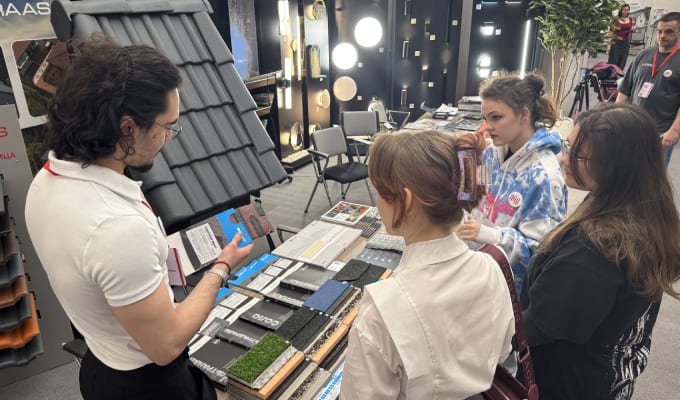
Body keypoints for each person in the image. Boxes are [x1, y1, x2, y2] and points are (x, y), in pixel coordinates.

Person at [24, 35, 252, 399]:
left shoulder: (45, 182)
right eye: (167, 126)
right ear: (128, 127)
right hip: (151, 386)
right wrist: (221, 268)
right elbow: (167, 345)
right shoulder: (117, 228)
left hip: (100, 365)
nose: (169, 138)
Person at [520, 103, 680, 400]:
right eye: (569, 146)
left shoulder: (592, 252)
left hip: (566, 383)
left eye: (579, 155)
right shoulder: (642, 210)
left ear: (616, 166)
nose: (564, 158)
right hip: (609, 373)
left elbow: (541, 326)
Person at [341, 131, 515, 399]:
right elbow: (502, 352)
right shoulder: (491, 268)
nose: (376, 201)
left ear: (407, 200)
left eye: (380, 191)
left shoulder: (380, 312)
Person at [457, 72, 567, 294]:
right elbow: (476, 198)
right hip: (475, 269)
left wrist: (489, 235)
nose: (487, 127)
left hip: (507, 290)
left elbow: (540, 253)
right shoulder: (490, 153)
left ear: (523, 114)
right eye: (485, 118)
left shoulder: (544, 177)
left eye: (496, 117)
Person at [617, 12, 680, 167]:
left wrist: (675, 130)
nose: (662, 36)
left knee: (652, 175)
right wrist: (615, 119)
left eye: (669, 32)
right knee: (624, 170)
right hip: (633, 126)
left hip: (660, 132)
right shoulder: (644, 55)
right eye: (660, 31)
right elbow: (625, 90)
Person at [607, 4, 634, 70]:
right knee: (613, 61)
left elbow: (629, 29)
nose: (626, 12)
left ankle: (619, 74)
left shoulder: (630, 19)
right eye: (624, 10)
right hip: (616, 43)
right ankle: (610, 75)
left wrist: (630, 32)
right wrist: (609, 45)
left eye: (628, 10)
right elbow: (611, 32)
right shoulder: (615, 20)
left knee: (622, 62)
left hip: (625, 43)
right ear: (621, 10)